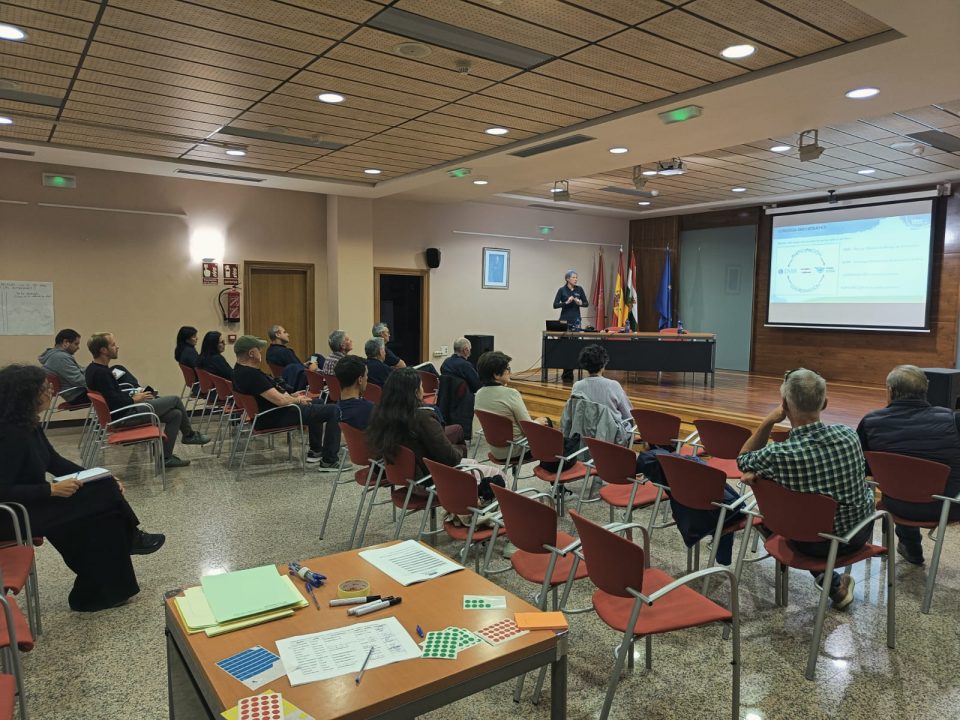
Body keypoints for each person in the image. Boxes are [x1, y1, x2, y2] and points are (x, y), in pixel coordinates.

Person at [0, 364, 164, 612]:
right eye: (45, 388)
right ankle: (132, 538)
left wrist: (97, 475)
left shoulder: (27, 424)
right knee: (103, 509)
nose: (51, 392)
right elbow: (3, 490)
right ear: (25, 395)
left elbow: (54, 461)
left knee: (105, 497)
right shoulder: (9, 435)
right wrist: (50, 491)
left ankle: (99, 588)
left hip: (34, 502)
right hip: (15, 514)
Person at [737, 368, 875, 610]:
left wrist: (769, 421)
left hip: (805, 542)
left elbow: (743, 459)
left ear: (784, 405)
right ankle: (832, 583)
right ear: (825, 403)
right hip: (856, 535)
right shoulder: (849, 436)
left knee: (770, 510)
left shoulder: (778, 455)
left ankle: (830, 582)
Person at [857, 364, 960, 565]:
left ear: (891, 392)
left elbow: (866, 469)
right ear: (926, 389)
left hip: (896, 504)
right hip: (947, 507)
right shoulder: (954, 420)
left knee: (902, 482)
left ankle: (911, 546)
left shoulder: (870, 422)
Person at [84, 332, 208, 468]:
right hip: (124, 416)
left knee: (175, 415)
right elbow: (115, 402)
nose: (117, 347)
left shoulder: (93, 369)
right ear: (103, 350)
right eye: (113, 345)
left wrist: (135, 395)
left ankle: (166, 458)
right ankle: (189, 435)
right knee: (175, 400)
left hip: (123, 412)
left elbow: (113, 397)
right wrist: (134, 399)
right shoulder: (102, 373)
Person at [232, 335, 341, 469]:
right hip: (274, 416)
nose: (261, 352)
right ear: (251, 353)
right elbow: (281, 401)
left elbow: (270, 394)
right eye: (259, 350)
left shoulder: (238, 371)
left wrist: (291, 395)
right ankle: (329, 461)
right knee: (334, 410)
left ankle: (316, 451)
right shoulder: (252, 375)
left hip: (264, 414)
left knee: (317, 401)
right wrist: (297, 399)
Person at [366, 368, 465, 483]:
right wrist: (460, 449)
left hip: (403, 475)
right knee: (484, 471)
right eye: (422, 387)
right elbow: (451, 459)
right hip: (430, 480)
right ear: (416, 392)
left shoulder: (381, 413)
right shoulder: (422, 417)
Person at [474, 351, 550, 462]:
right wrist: (539, 422)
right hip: (516, 450)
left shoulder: (479, 394)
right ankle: (552, 469)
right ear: (496, 374)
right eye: (507, 369)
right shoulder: (511, 394)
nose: (511, 372)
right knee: (546, 422)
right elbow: (527, 428)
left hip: (495, 449)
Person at [570, 344, 632, 423]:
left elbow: (574, 414)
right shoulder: (613, 385)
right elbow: (628, 415)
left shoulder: (577, 386)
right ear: (604, 364)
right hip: (611, 433)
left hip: (584, 432)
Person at [553, 270, 589, 381]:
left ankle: (571, 371)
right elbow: (555, 305)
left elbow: (586, 303)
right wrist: (566, 303)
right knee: (565, 347)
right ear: (567, 279)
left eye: (576, 277)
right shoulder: (562, 290)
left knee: (574, 347)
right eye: (573, 277)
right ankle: (566, 372)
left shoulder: (579, 289)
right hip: (564, 321)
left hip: (576, 321)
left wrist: (580, 303)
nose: (576, 279)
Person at [39, 328, 89, 402]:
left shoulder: (55, 355)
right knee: (109, 392)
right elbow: (79, 379)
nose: (78, 347)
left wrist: (92, 368)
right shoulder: (61, 357)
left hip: (76, 393)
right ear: (65, 342)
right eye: (76, 344)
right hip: (77, 395)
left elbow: (79, 371)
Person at [335, 355, 375, 430]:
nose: (367, 378)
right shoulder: (370, 410)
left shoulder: (335, 410)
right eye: (366, 375)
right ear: (360, 380)